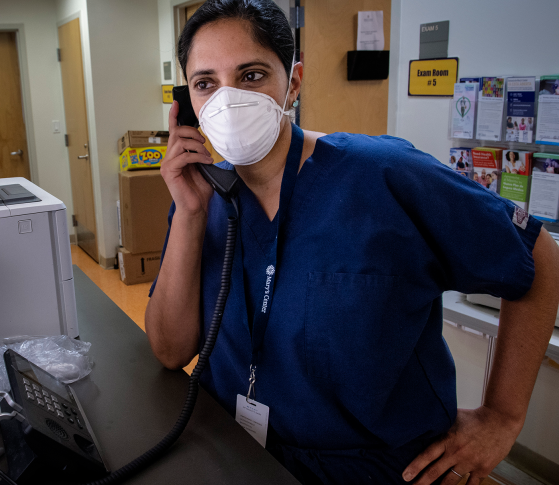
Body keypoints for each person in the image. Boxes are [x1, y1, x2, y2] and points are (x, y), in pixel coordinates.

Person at [145, 1, 559, 484]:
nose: (228, 99)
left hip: (381, 468)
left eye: (252, 74)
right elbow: (171, 351)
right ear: (187, 100)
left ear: (293, 83)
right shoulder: (203, 194)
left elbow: (536, 253)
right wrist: (191, 214)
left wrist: (502, 417)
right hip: (240, 454)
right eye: (206, 83)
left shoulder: (384, 175)